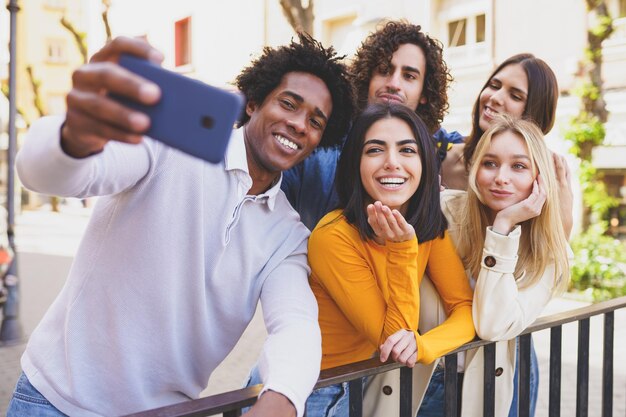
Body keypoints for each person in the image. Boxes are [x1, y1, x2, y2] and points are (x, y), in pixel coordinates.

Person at [8, 34, 354, 417]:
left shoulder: (287, 233)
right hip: (53, 401)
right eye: (289, 104)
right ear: (254, 102)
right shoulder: (170, 144)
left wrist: (283, 396)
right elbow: (56, 175)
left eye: (315, 121)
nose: (298, 124)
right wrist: (75, 137)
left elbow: (296, 324)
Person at [281, 103, 474, 416]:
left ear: (425, 162)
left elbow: (464, 308)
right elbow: (391, 337)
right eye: (375, 150)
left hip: (359, 383)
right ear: (356, 163)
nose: (392, 163)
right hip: (311, 390)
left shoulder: (427, 226)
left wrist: (424, 346)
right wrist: (402, 248)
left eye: (407, 150)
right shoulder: (333, 235)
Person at [429, 115, 569, 417]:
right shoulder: (446, 211)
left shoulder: (550, 254)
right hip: (424, 379)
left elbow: (492, 325)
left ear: (539, 177)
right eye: (490, 163)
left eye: (518, 166)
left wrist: (503, 227)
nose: (500, 177)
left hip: (486, 388)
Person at [281, 20, 463, 231]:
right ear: (368, 76)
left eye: (409, 76)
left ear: (424, 93)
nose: (394, 84)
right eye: (384, 70)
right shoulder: (321, 144)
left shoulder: (432, 151)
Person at [439, 53, 573, 237]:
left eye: (515, 96)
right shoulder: (442, 155)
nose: (495, 97)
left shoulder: (548, 173)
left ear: (535, 112)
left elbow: (556, 250)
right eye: (494, 85)